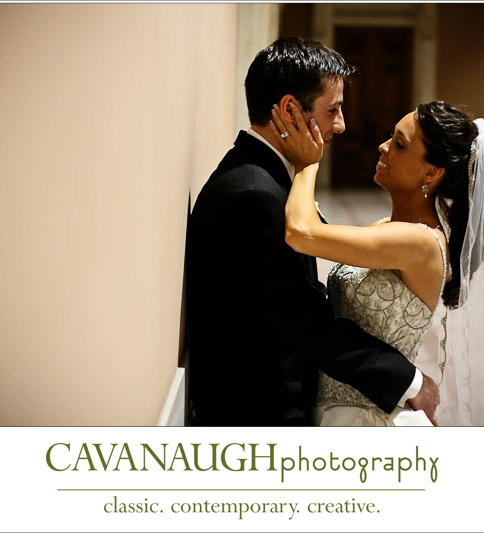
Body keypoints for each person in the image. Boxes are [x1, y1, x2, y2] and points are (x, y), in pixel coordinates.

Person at [187, 37, 440, 426]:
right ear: (290, 109)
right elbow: (306, 323)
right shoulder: (255, 194)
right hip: (258, 413)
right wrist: (408, 381)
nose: (341, 125)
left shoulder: (262, 177)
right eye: (332, 110)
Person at [272, 100, 484, 426]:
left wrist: (307, 163)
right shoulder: (385, 227)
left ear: (431, 172)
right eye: (391, 136)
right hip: (335, 400)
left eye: (399, 144)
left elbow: (302, 233)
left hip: (362, 415)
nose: (383, 146)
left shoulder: (420, 242)